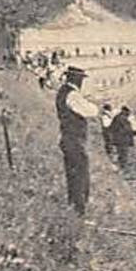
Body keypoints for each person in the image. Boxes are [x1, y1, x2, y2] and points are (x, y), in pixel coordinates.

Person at [55, 67, 99, 216]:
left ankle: (75, 208)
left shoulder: (64, 92)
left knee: (74, 174)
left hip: (68, 138)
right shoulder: (72, 94)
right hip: (74, 140)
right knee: (80, 174)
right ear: (76, 79)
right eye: (81, 79)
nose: (82, 82)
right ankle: (79, 211)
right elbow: (89, 111)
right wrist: (95, 107)